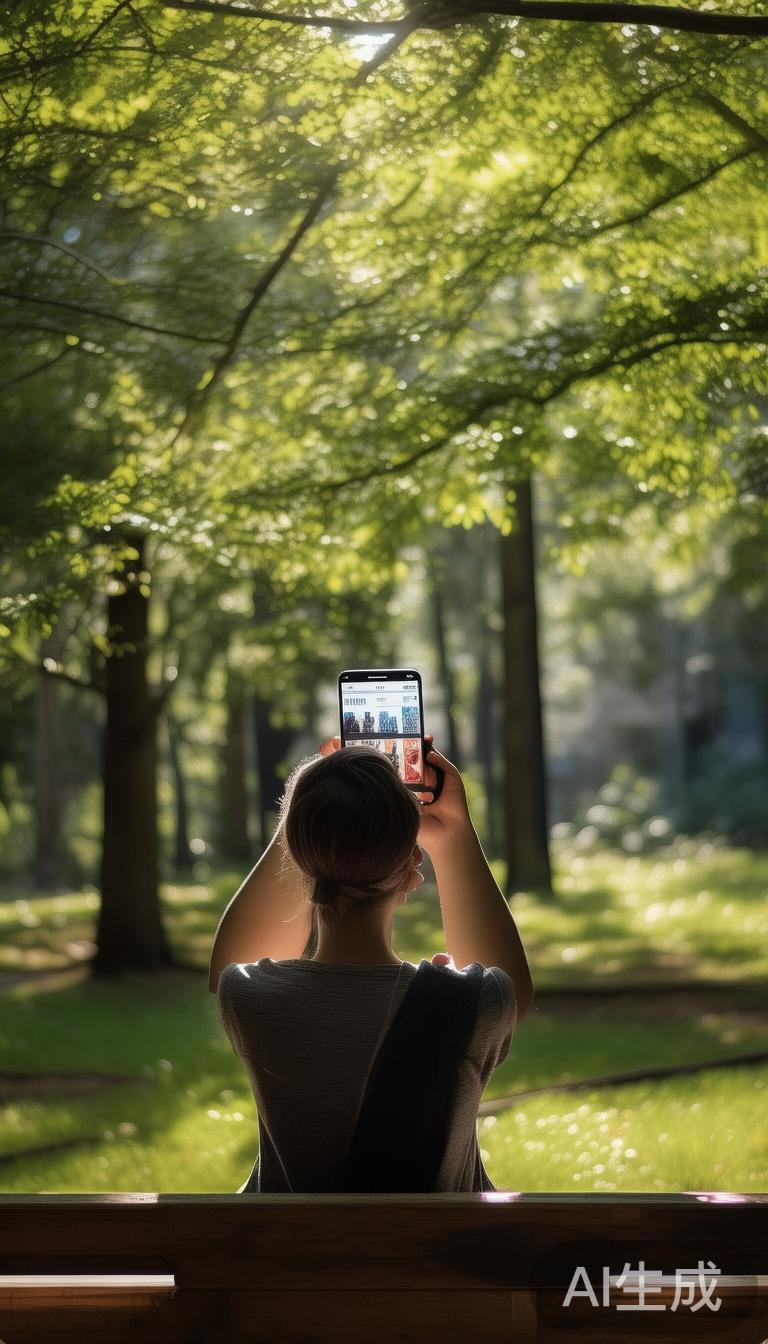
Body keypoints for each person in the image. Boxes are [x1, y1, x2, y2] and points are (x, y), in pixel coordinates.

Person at [209, 734, 534, 1193]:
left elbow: (230, 959)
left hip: (294, 1244)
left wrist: (313, 799)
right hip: (434, 1243)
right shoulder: (476, 1003)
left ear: (298, 853)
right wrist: (453, 834)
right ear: (413, 865)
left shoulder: (249, 998)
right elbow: (516, 991)